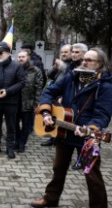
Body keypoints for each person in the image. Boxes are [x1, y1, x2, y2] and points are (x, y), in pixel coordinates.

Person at [31, 48, 112, 208]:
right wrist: (46, 112)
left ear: (100, 64)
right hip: (64, 132)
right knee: (58, 168)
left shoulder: (106, 87)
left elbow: (102, 114)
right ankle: (51, 199)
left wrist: (90, 128)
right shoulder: (71, 77)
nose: (84, 62)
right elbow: (48, 91)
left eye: (89, 60)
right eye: (84, 59)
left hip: (88, 136)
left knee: (91, 174)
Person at [0, 42, 25, 159]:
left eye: (1, 53)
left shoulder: (16, 66)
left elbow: (22, 83)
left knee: (11, 126)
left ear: (8, 53)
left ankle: (10, 148)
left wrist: (7, 92)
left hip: (10, 102)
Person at [15, 49, 43, 153]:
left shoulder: (35, 71)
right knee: (14, 124)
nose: (20, 58)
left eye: (23, 56)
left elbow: (38, 88)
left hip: (28, 103)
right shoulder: (15, 69)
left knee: (26, 126)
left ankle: (22, 143)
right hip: (15, 103)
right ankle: (16, 141)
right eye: (19, 57)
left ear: (28, 58)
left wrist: (36, 104)